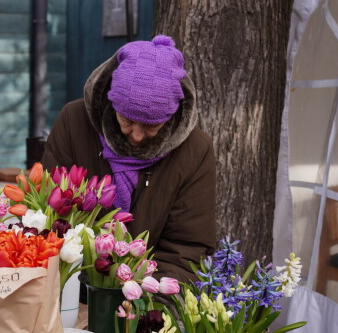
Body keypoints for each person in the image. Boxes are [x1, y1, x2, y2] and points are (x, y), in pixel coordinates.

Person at [41, 35, 216, 284]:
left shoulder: (194, 151)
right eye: (126, 121)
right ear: (112, 103)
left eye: (151, 126)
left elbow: (185, 249)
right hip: (69, 285)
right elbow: (48, 211)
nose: (136, 136)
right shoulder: (74, 122)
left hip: (147, 294)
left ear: (171, 115)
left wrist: (144, 308)